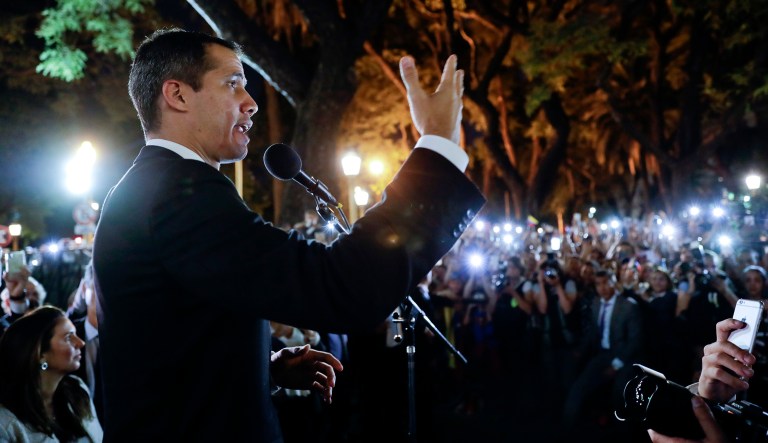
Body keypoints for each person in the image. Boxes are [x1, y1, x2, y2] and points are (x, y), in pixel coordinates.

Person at [92, 29, 484, 441]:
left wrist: (264, 369)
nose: (252, 103)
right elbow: (340, 285)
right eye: (233, 84)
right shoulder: (177, 194)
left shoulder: (157, 187)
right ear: (178, 95)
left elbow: (169, 345)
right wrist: (437, 147)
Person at [0, 306, 102, 442]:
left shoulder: (76, 390)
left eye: (76, 335)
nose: (81, 343)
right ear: (40, 354)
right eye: (68, 338)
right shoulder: (5, 421)